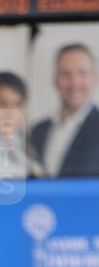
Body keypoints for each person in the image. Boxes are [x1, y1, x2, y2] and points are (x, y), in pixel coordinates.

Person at [31, 43, 99, 177]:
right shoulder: (38, 131)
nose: (74, 83)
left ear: (94, 78)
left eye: (82, 73)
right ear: (55, 79)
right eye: (66, 74)